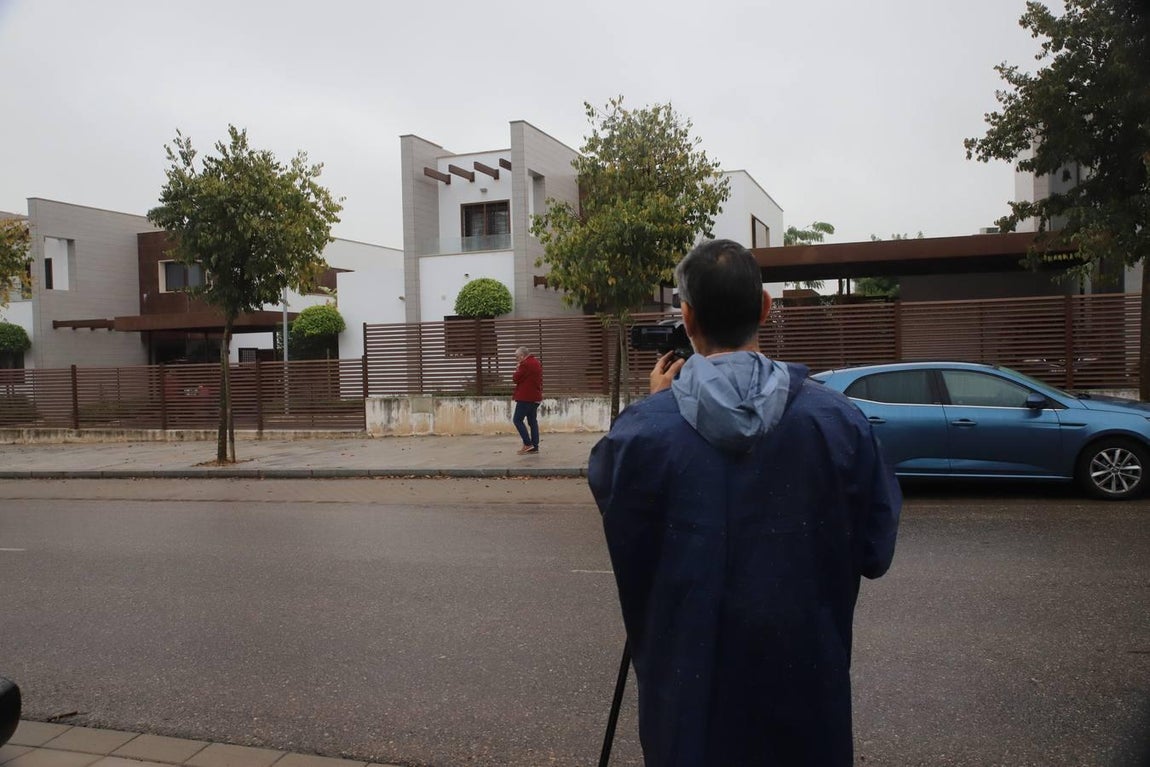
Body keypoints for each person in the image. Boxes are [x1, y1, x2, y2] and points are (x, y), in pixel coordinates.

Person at [588, 239, 901, 766]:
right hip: (805, 704)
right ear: (765, 308)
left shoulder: (640, 434)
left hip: (688, 709)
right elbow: (875, 551)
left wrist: (659, 403)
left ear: (686, 317)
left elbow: (625, 525)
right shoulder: (838, 422)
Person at [511, 345, 543, 454]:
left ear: (521, 355)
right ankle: (535, 446)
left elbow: (516, 378)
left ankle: (527, 444)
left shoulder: (525, 365)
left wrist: (517, 368)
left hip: (525, 397)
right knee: (532, 422)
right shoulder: (536, 362)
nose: (517, 359)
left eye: (517, 357)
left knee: (517, 420)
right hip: (535, 397)